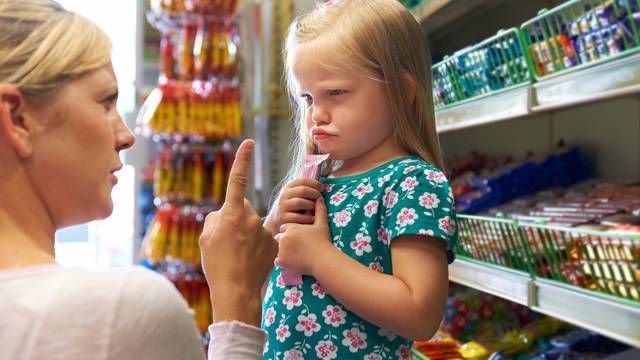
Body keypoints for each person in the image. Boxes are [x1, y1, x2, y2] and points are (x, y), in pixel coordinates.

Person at [0, 1, 274, 359]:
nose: (127, 135)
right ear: (18, 119)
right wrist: (239, 303)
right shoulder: (119, 311)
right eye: (105, 101)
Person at [262, 0, 459, 358]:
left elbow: (420, 314)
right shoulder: (321, 177)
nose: (316, 115)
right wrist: (275, 222)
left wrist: (319, 257)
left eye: (336, 93)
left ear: (402, 91)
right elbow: (259, 274)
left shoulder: (412, 183)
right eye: (307, 97)